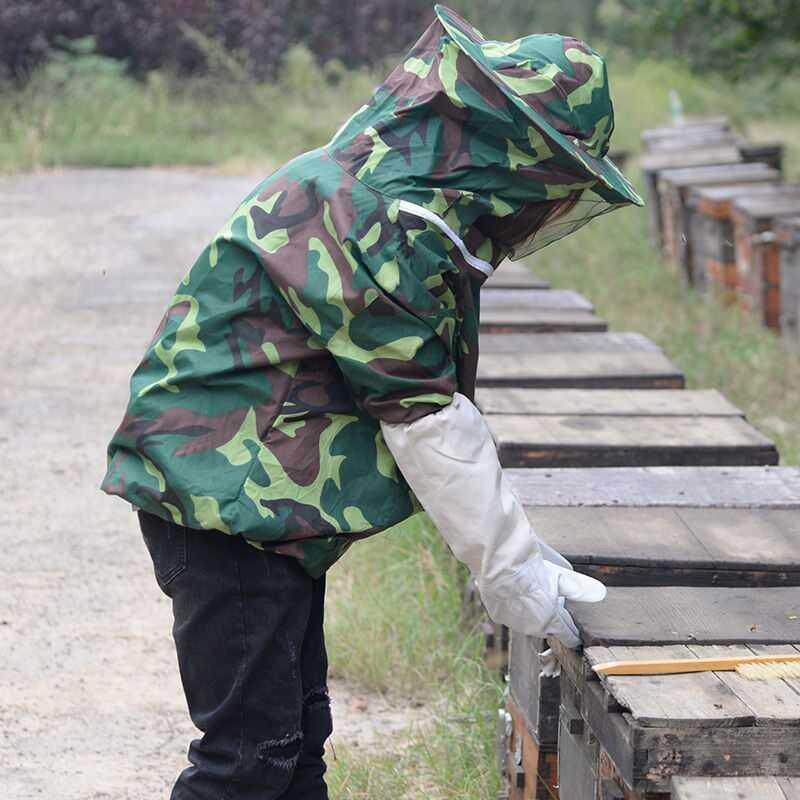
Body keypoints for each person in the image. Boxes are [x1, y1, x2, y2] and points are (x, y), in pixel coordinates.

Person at [101, 5, 643, 799]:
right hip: (224, 513)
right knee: (247, 761)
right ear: (512, 154)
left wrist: (521, 555)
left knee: (296, 744)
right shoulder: (366, 217)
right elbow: (423, 414)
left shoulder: (370, 192)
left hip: (259, 519)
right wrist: (509, 564)